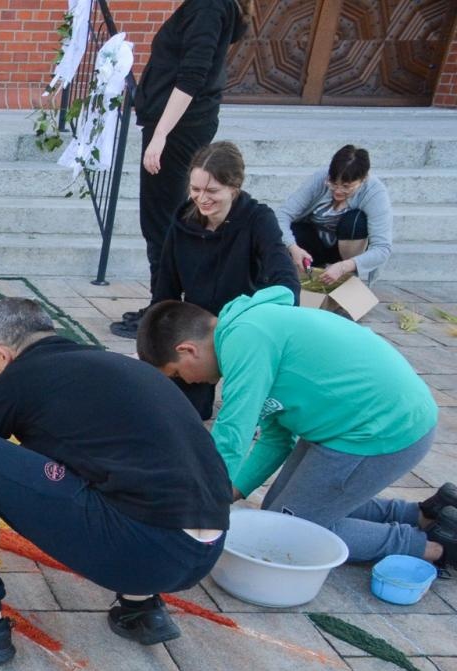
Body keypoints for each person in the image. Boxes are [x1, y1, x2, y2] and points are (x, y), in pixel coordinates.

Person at [0, 299, 230, 667]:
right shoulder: (112, 365)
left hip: (142, 551)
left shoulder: (15, 382)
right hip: (207, 548)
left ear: (3, 354)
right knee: (111, 468)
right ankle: (141, 609)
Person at [137, 289, 456, 569]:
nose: (186, 382)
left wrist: (204, 505)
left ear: (187, 350)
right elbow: (276, 439)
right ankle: (425, 515)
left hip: (383, 428)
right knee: (277, 513)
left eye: (177, 374)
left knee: (287, 532)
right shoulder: (249, 334)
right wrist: (230, 491)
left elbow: (233, 433)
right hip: (353, 423)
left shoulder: (244, 340)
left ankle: (436, 548)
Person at [113, 0, 254, 340]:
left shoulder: (209, 7)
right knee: (164, 220)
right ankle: (164, 306)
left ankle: (163, 313)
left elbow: (192, 76)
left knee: (160, 222)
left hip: (177, 129)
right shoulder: (216, 6)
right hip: (183, 125)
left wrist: (161, 134)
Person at [146, 140, 298, 419]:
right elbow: (165, 286)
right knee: (183, 411)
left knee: (244, 410)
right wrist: (156, 345)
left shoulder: (257, 219)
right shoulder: (183, 223)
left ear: (234, 188)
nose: (202, 198)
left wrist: (275, 318)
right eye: (195, 189)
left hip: (243, 326)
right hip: (200, 330)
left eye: (212, 191)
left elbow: (283, 273)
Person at [280, 144, 394, 287]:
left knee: (355, 222)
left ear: (363, 179)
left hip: (347, 251)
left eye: (346, 186)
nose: (338, 191)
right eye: (333, 183)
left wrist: (344, 266)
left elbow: (382, 248)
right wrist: (293, 247)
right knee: (296, 229)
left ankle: (347, 279)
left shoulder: (375, 192)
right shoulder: (321, 178)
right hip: (315, 243)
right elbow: (282, 215)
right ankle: (307, 273)